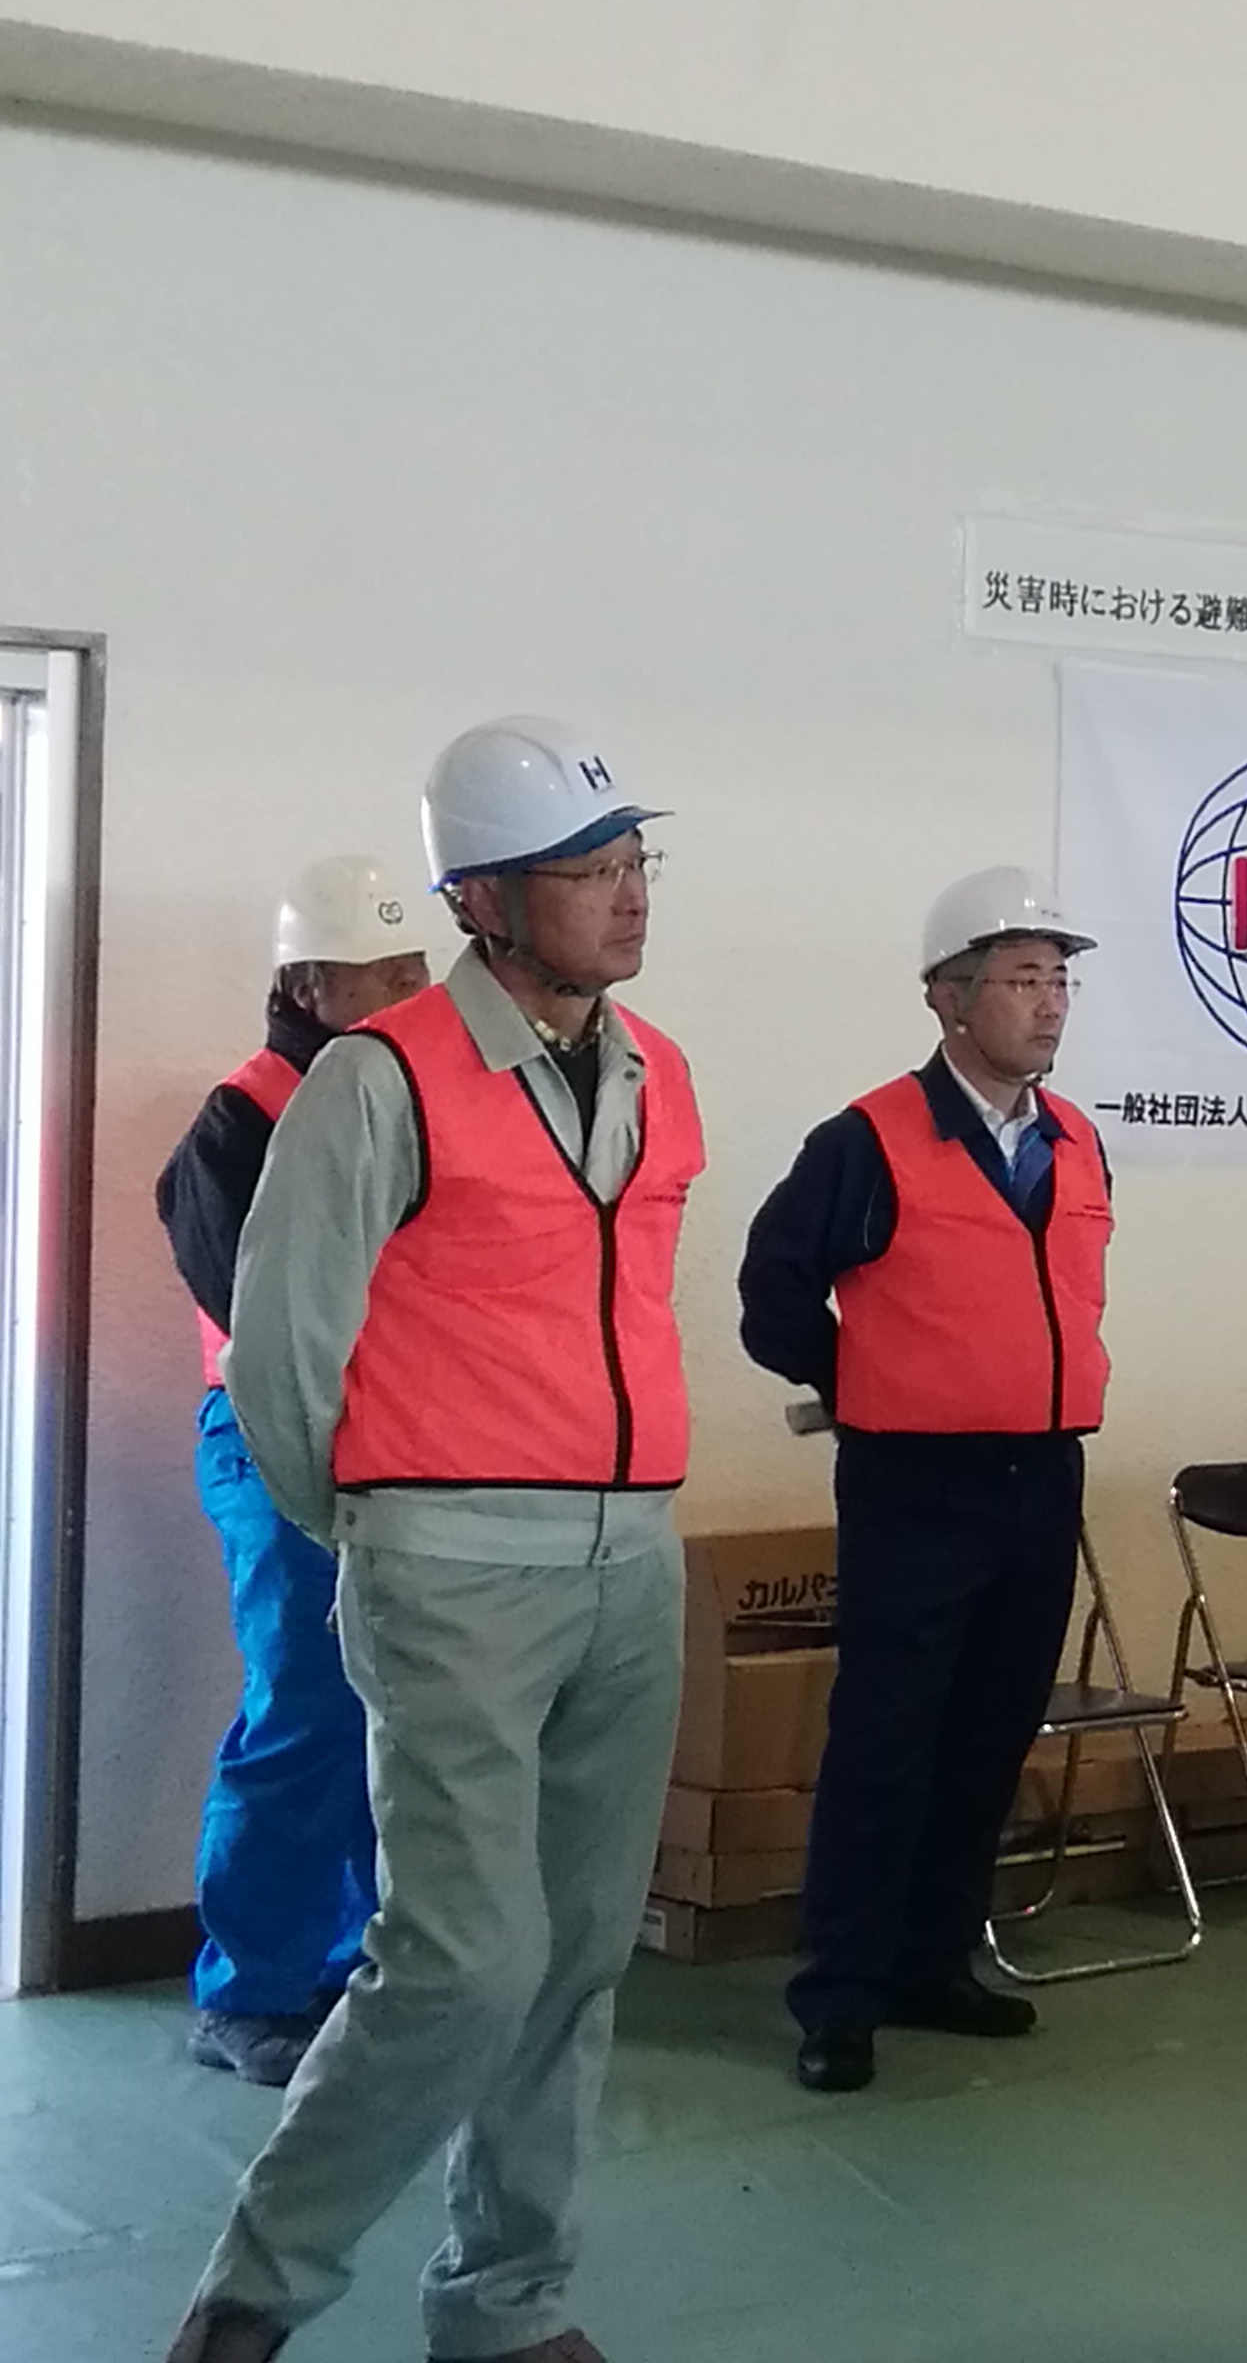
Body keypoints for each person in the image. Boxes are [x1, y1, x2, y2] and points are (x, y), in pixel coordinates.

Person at [164, 719, 702, 2363]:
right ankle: (252, 2294)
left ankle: (506, 2299)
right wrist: (384, 1528)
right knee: (462, 1960)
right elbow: (281, 1350)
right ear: (482, 897)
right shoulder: (377, 1078)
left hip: (632, 1564)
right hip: (452, 1566)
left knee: (578, 1954)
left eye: (635, 862)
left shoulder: (660, 1070)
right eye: (588, 870)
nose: (628, 896)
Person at [738, 867, 1116, 2096]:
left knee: (990, 1731)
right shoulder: (868, 1141)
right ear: (949, 999)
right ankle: (840, 1994)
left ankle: (932, 1961)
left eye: (1059, 981)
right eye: (1022, 980)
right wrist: (862, 1377)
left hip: (1041, 1473)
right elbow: (773, 1294)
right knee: (887, 1738)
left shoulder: (1074, 1141)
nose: (1050, 1004)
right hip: (916, 1481)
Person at [155, 857, 428, 2089]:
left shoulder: (416, 1103)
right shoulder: (239, 1124)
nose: (417, 994)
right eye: (389, 974)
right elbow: (266, 1325)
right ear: (313, 984)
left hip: (403, 1442)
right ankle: (248, 1990)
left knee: (393, 1713)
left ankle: (353, 1970)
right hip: (275, 1443)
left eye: (419, 970)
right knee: (305, 1708)